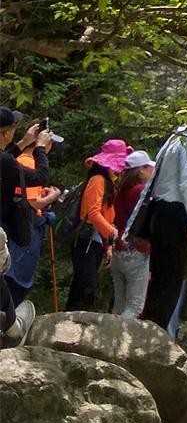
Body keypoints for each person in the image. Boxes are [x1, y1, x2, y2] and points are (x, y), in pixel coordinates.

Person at [135, 93, 187, 338]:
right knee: (172, 279)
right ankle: (158, 334)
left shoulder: (174, 138)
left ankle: (149, 328)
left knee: (159, 277)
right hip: (175, 214)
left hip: (159, 213)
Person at [68, 138, 131, 310]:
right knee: (86, 287)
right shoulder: (97, 180)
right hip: (86, 239)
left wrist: (108, 246)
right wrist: (113, 233)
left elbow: (105, 217)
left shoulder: (108, 184)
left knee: (82, 287)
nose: (119, 171)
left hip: (95, 241)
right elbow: (93, 213)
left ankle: (71, 324)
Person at [5, 122, 60, 303]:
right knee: (13, 280)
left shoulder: (13, 158)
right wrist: (52, 197)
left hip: (19, 227)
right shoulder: (27, 162)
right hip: (17, 230)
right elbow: (31, 202)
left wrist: (24, 141)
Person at [111, 149, 154, 320]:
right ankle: (122, 341)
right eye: (148, 168)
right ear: (141, 170)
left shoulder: (119, 191)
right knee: (135, 306)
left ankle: (110, 337)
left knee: (119, 304)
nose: (152, 171)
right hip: (136, 252)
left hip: (118, 250)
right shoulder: (140, 191)